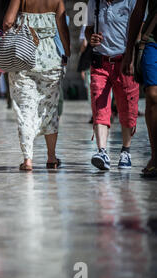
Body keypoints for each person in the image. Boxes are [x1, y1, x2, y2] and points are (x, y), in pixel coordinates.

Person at [3, 0, 70, 171]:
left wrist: (13, 35)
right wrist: (67, 53)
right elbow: (63, 28)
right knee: (50, 109)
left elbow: (8, 22)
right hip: (50, 59)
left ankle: (28, 160)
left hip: (23, 56)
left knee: (25, 110)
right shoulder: (57, 1)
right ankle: (51, 157)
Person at [85, 0, 140, 171]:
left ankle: (126, 150)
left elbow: (139, 29)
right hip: (100, 62)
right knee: (99, 105)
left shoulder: (131, 2)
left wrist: (132, 55)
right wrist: (91, 38)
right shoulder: (95, 2)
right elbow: (89, 28)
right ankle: (102, 151)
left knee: (128, 107)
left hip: (124, 61)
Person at [123, 0, 157, 177]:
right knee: (152, 95)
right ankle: (155, 155)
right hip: (152, 38)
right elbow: (138, 11)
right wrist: (128, 52)